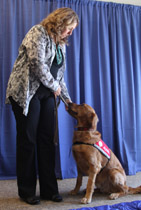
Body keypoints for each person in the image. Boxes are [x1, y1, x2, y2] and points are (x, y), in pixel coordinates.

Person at [6, 7, 79, 205]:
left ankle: (49, 190)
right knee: (28, 140)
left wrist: (67, 101)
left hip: (47, 94)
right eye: (69, 28)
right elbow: (37, 64)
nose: (71, 33)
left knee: (47, 140)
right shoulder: (37, 32)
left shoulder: (61, 45)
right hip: (26, 93)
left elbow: (59, 76)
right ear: (60, 23)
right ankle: (26, 191)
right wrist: (54, 86)